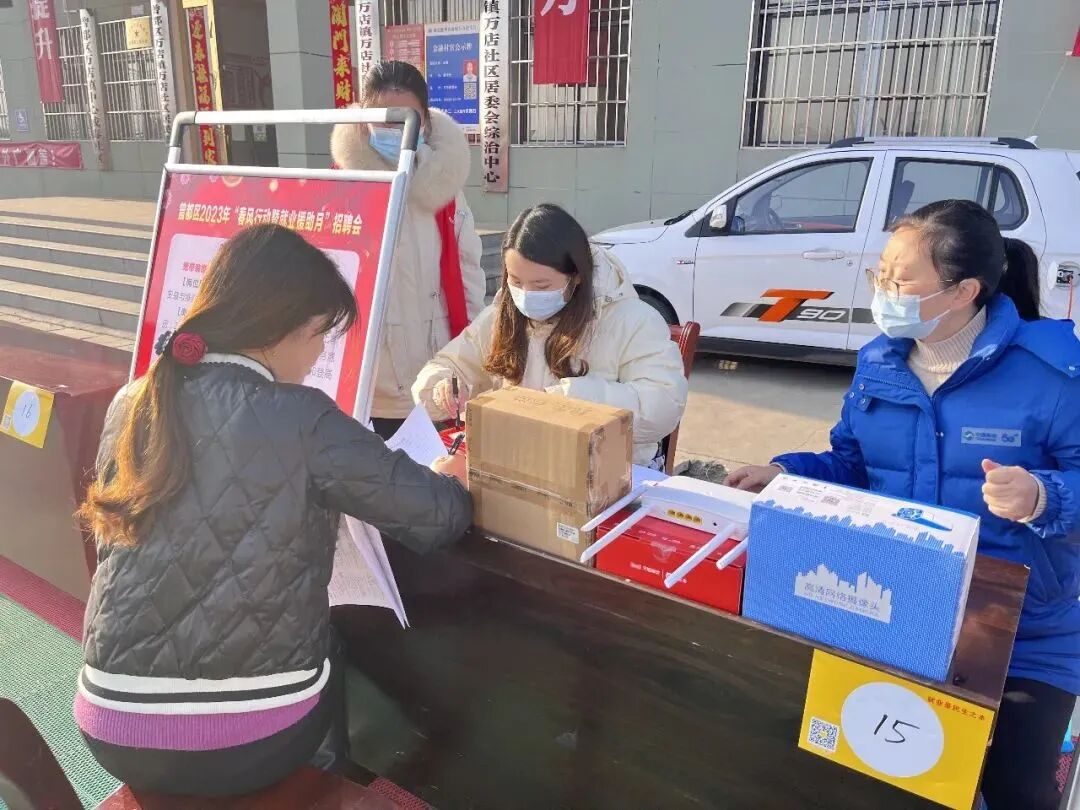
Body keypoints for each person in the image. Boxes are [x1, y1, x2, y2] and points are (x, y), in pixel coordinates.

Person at [75, 225, 471, 797]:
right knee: (335, 648)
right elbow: (439, 516)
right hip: (249, 743)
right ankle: (324, 790)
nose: (318, 356)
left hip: (111, 727)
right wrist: (450, 476)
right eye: (321, 336)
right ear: (289, 328)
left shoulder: (133, 400)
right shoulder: (301, 416)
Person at [729, 200, 1080, 810]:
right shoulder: (879, 363)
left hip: (1024, 629)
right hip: (899, 606)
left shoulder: (1050, 374)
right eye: (881, 276)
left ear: (964, 290)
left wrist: (1042, 496)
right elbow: (854, 466)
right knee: (883, 771)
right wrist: (784, 473)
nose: (884, 293)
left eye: (901, 281)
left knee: (1016, 789)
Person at [413, 203, 688, 468]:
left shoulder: (632, 320)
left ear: (576, 276)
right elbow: (445, 366)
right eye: (515, 281)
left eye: (541, 285)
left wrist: (571, 402)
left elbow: (663, 406)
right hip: (519, 463)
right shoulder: (502, 315)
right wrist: (442, 386)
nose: (526, 295)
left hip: (608, 473)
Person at [330, 60, 486, 440]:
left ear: (426, 122)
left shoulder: (443, 188)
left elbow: (469, 272)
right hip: (375, 384)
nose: (396, 131)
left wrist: (473, 356)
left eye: (408, 119)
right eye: (386, 119)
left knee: (441, 468)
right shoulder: (343, 189)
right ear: (365, 119)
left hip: (440, 376)